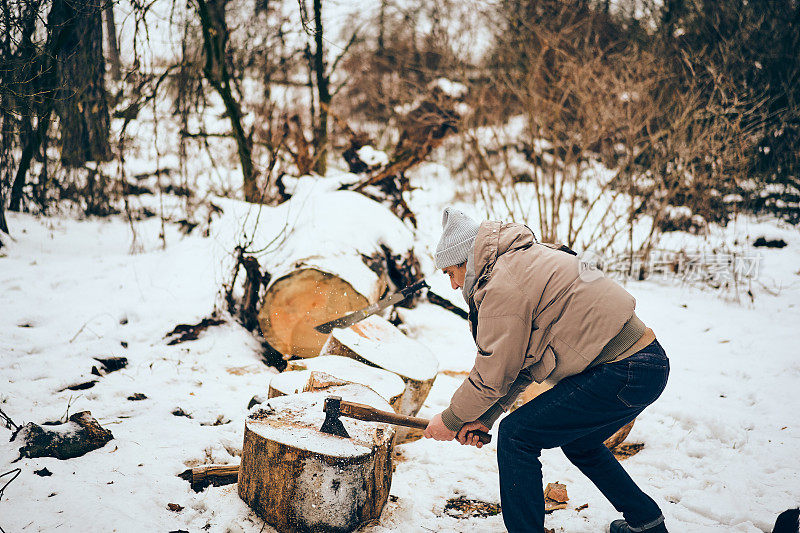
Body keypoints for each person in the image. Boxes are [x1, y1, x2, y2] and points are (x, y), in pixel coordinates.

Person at [422, 208, 670, 533]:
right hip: (648, 363)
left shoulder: (502, 284)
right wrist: (484, 417)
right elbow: (521, 366)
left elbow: (492, 375)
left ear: (469, 260)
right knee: (581, 443)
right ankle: (646, 522)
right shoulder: (525, 260)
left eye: (451, 273)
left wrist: (451, 419)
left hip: (619, 371)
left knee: (516, 437)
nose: (453, 285)